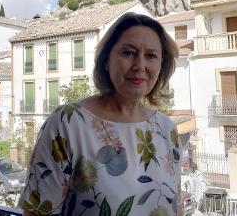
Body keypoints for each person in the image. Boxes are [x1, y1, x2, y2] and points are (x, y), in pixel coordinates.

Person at [19, 12, 182, 216]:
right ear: (106, 60)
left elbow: (176, 208)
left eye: (151, 56)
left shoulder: (167, 130)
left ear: (160, 66)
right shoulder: (67, 124)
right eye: (128, 53)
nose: (139, 65)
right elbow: (38, 212)